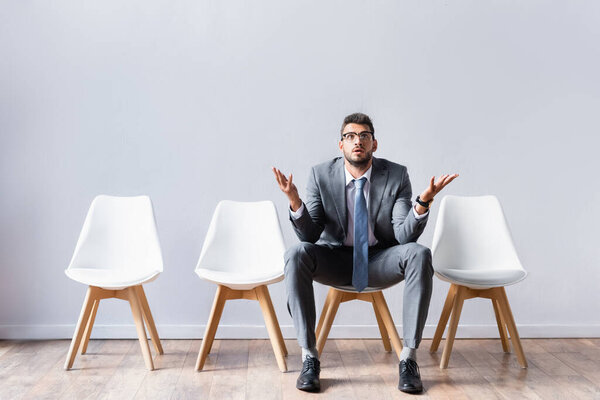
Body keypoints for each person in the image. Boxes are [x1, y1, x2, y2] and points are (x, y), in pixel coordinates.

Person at [272, 112, 458, 394]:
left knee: (419, 253)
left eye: (364, 136)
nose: (357, 141)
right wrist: (295, 201)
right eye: (350, 136)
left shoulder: (396, 175)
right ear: (341, 145)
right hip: (334, 258)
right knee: (296, 253)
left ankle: (408, 359)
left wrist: (423, 202)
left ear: (374, 144)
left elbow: (404, 236)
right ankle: (309, 357)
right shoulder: (320, 175)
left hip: (378, 259)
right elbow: (309, 236)